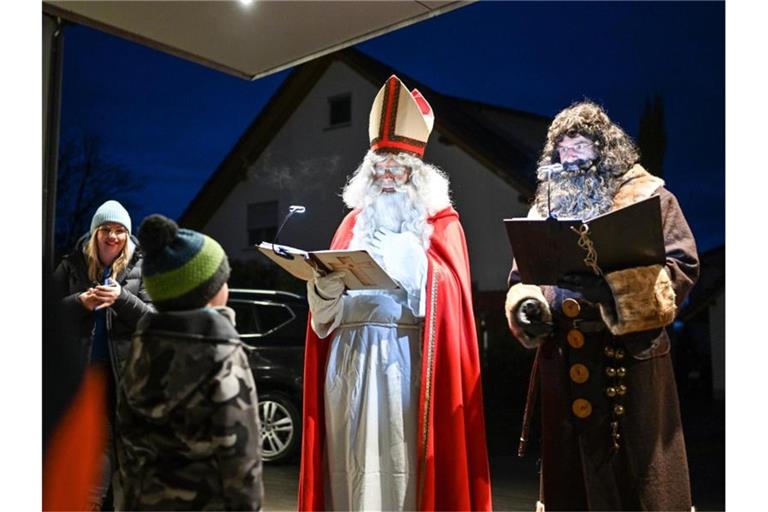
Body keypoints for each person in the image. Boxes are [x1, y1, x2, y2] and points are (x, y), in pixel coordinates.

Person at [298, 75, 492, 511]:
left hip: (400, 360)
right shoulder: (351, 224)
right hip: (347, 362)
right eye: (380, 166)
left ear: (415, 173)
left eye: (397, 166)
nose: (387, 176)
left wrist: (417, 264)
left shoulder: (439, 225)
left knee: (395, 459)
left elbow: (454, 301)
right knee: (347, 462)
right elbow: (323, 318)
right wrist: (323, 290)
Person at [504, 101, 699, 511]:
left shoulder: (650, 197)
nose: (570, 156)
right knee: (572, 485)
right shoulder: (544, 209)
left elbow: (682, 267)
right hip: (566, 361)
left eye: (580, 145)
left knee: (637, 481)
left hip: (628, 360)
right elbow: (523, 278)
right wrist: (529, 307)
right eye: (563, 148)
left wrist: (613, 292)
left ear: (603, 148)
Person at [114, 214, 263, 511]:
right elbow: (240, 453)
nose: (228, 287)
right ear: (207, 293)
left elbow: (126, 437)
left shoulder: (141, 346)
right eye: (224, 280)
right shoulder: (222, 352)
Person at [52, 199, 153, 510]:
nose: (113, 236)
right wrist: (80, 302)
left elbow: (153, 321)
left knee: (121, 449)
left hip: (125, 375)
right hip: (81, 371)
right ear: (95, 234)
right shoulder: (72, 265)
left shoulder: (143, 266)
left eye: (120, 230)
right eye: (106, 230)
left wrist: (122, 298)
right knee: (90, 444)